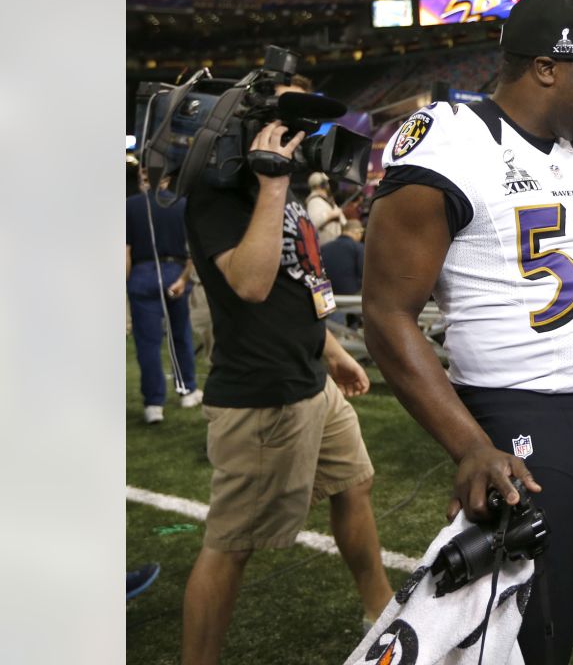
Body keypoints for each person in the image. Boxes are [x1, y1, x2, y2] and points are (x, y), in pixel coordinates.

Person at [360, 0, 573, 665]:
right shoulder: (452, 141)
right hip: (521, 418)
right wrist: (470, 445)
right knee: (527, 651)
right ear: (546, 67)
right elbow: (386, 314)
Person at [181, 95, 394, 663]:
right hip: (262, 395)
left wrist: (329, 351)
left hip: (309, 379)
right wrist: (272, 185)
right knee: (232, 545)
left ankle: (383, 615)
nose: (297, 138)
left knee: (355, 485)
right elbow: (250, 284)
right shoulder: (218, 193)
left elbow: (292, 283)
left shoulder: (280, 186)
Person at [126, 168, 201, 423]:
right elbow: (195, 250)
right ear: (167, 180)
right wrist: (183, 279)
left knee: (147, 344)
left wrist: (126, 286)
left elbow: (125, 252)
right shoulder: (182, 204)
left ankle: (153, 404)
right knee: (180, 336)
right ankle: (187, 390)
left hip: (141, 274)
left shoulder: (129, 206)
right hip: (175, 271)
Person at [319, 218, 366, 295]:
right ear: (358, 232)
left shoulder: (324, 248)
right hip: (350, 298)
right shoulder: (358, 248)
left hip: (327, 296)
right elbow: (364, 274)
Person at [306, 171, 347, 245]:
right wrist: (331, 214)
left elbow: (344, 222)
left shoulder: (327, 201)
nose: (328, 185)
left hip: (336, 243)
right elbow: (313, 223)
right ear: (322, 185)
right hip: (325, 246)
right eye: (326, 183)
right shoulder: (315, 201)